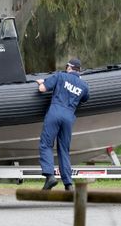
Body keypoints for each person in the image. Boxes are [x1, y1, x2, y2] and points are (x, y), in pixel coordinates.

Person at [36, 58, 89, 191]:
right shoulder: (84, 86)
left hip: (55, 112)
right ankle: (68, 183)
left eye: (67, 66)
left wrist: (42, 83)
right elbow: (84, 98)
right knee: (64, 149)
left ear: (70, 68)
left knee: (46, 144)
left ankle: (50, 177)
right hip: (69, 116)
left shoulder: (60, 76)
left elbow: (42, 89)